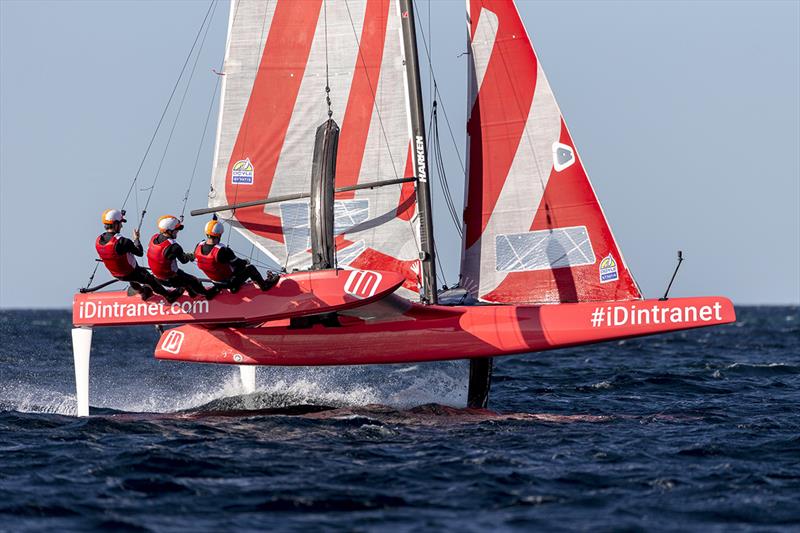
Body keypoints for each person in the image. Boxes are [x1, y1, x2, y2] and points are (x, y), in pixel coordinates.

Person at [95, 209, 183, 302]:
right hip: (131, 272)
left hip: (115, 274)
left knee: (131, 274)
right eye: (120, 223)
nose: (121, 225)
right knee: (150, 279)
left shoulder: (98, 240)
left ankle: (141, 291)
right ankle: (168, 296)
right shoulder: (123, 241)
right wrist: (136, 239)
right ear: (116, 224)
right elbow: (139, 252)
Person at [194, 218, 279, 294]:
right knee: (250, 268)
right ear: (219, 235)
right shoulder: (222, 251)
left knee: (227, 267)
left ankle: (232, 288)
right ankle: (264, 286)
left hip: (216, 283)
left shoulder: (198, 246)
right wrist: (245, 261)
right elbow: (240, 264)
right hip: (229, 283)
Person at [147, 215, 218, 299]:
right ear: (169, 231)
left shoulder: (154, 238)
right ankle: (207, 295)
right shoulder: (174, 246)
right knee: (194, 280)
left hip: (157, 277)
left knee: (181, 274)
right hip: (170, 279)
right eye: (176, 230)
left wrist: (177, 222)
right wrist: (194, 253)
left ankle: (192, 294)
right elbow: (184, 260)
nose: (177, 231)